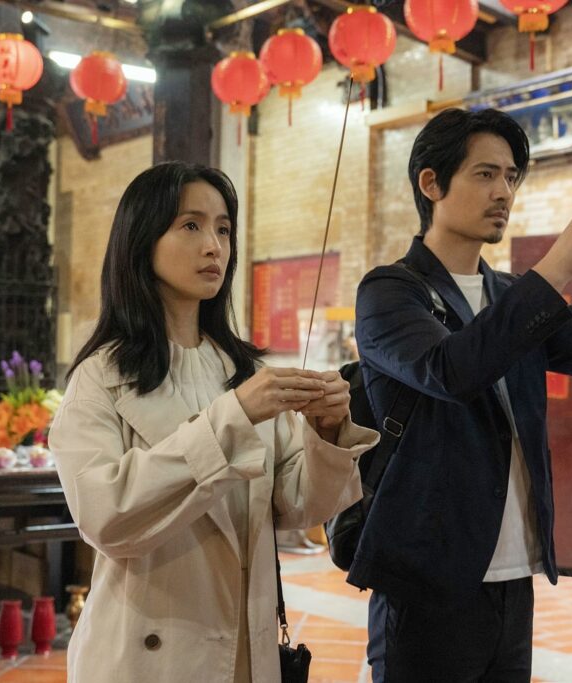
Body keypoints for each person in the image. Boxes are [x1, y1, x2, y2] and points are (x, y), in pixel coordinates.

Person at [351, 108, 572, 682]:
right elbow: (451, 370)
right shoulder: (391, 292)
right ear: (431, 183)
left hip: (513, 577)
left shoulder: (512, 296)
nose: (503, 191)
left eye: (510, 176)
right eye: (484, 174)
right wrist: (552, 272)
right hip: (428, 579)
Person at [49, 162, 378, 682]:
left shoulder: (242, 370)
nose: (213, 246)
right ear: (142, 239)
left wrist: (327, 430)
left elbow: (298, 506)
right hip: (147, 656)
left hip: (246, 649)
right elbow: (105, 516)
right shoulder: (100, 376)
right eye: (191, 225)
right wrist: (233, 418)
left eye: (223, 229)